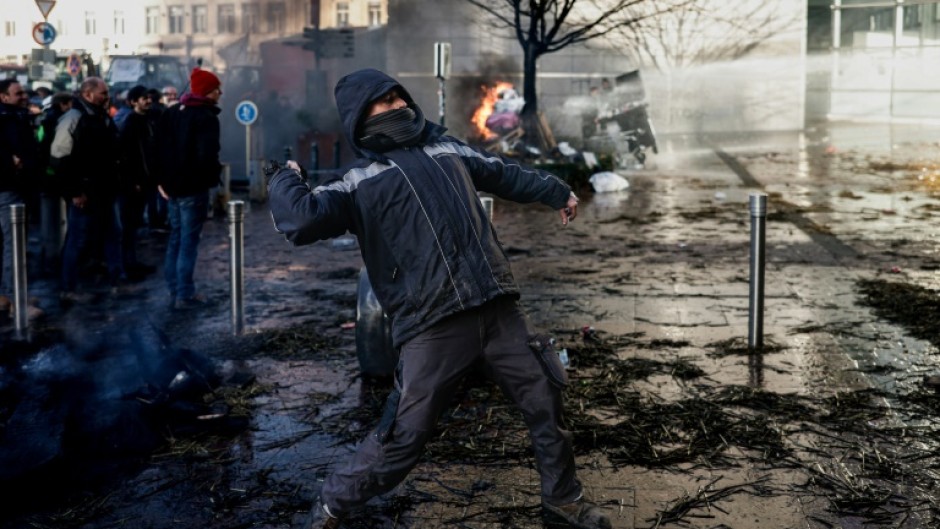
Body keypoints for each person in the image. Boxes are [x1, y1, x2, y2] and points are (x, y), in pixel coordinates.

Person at [267, 69, 610, 529]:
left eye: (397, 98)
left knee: (546, 398)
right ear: (360, 116)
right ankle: (333, 504)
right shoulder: (357, 180)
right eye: (382, 103)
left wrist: (555, 191)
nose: (396, 107)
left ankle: (564, 501)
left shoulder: (447, 147)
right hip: (433, 324)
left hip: (498, 306)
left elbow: (502, 173)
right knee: (403, 438)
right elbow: (301, 220)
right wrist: (284, 177)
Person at [50, 77, 124, 301]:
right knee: (78, 239)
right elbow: (59, 158)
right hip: (84, 192)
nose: (107, 96)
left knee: (113, 235)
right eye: (102, 93)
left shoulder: (101, 116)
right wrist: (74, 191)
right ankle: (68, 289)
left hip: (105, 190)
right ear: (88, 94)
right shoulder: (74, 118)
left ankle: (116, 282)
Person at [155, 68, 223, 310]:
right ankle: (185, 294)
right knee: (188, 241)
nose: (220, 93)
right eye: (217, 89)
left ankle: (174, 290)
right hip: (193, 189)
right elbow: (207, 155)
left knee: (176, 238)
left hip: (171, 188)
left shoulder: (172, 113)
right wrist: (212, 178)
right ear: (207, 92)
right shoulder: (205, 117)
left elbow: (158, 150)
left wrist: (161, 182)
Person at [0, 79, 40, 314]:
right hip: (9, 187)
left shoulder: (16, 116)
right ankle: (17, 302)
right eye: (18, 93)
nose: (24, 96)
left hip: (16, 185)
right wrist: (11, 161)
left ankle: (6, 294)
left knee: (7, 243)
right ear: (4, 97)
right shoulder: (6, 118)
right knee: (13, 244)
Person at [116, 85, 157, 280]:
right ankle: (126, 265)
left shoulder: (147, 120)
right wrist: (133, 181)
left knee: (134, 224)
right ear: (133, 102)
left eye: (148, 97)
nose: (148, 100)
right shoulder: (130, 123)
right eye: (143, 98)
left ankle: (132, 262)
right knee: (128, 225)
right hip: (132, 184)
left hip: (144, 181)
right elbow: (125, 156)